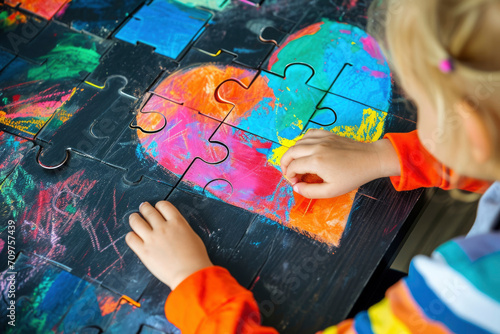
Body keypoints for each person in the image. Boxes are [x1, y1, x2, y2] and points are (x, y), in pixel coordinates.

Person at [125, 0, 500, 332]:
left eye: (423, 104)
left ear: (471, 130)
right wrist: (383, 155)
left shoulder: (467, 295)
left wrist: (191, 279)